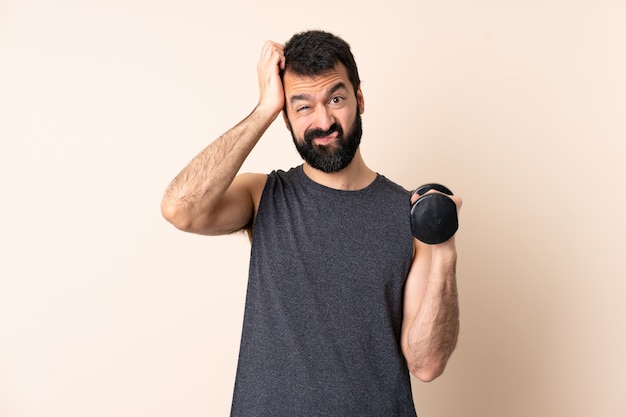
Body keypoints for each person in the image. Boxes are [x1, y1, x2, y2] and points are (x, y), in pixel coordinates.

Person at [161, 30, 461, 417]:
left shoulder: (408, 215)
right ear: (286, 118)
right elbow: (180, 209)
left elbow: (426, 364)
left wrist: (444, 249)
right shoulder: (263, 196)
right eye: (302, 107)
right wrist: (264, 108)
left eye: (336, 99)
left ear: (360, 99)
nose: (324, 121)